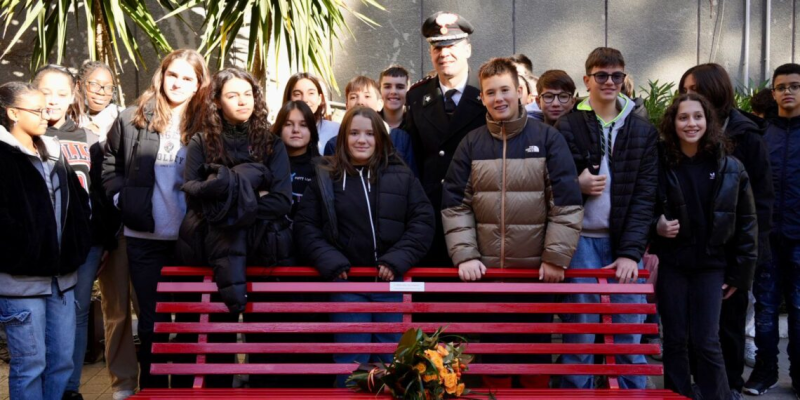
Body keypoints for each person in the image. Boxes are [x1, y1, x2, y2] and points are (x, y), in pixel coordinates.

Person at [441, 57, 583, 389]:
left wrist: (554, 258)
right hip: (488, 277)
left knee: (533, 367)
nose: (498, 98)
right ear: (483, 98)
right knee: (493, 367)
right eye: (491, 92)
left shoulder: (548, 139)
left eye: (505, 90)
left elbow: (565, 202)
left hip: (535, 277)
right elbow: (454, 205)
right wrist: (465, 255)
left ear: (520, 91)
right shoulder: (472, 143)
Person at [294, 106, 435, 388]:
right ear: (344, 137)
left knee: (393, 363)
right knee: (350, 364)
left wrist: (396, 260)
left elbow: (423, 221)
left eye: (370, 134)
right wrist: (331, 261)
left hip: (391, 286)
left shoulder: (401, 174)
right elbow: (305, 226)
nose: (362, 140)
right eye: (355, 133)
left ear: (380, 138)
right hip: (348, 288)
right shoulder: (327, 176)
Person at [102, 48, 210, 389]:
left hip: (191, 241)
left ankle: (182, 392)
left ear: (198, 85)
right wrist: (123, 199)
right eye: (172, 74)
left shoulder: (208, 123)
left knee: (190, 322)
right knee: (152, 323)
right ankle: (152, 390)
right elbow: (110, 166)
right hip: (144, 240)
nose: (177, 83)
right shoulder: (133, 116)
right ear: (161, 76)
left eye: (187, 78)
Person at [555, 47, 658, 390]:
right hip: (581, 240)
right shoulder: (567, 124)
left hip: (623, 244)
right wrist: (577, 184)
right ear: (587, 80)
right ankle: (575, 396)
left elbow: (646, 195)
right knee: (581, 335)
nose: (609, 82)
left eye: (616, 75)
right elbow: (550, 184)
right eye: (601, 75)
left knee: (628, 330)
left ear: (624, 78)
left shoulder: (642, 129)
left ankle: (633, 395)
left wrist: (630, 252)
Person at [651, 93, 757, 400]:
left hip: (711, 266)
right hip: (673, 264)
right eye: (683, 117)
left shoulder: (730, 167)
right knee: (674, 340)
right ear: (672, 123)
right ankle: (678, 395)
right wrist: (655, 227)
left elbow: (748, 222)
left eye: (697, 116)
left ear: (708, 121)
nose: (691, 123)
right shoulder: (660, 162)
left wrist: (741, 274)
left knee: (706, 340)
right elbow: (641, 207)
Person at [680, 63, 775, 394]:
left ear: (715, 91)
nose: (689, 98)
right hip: (693, 248)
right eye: (684, 91)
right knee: (696, 325)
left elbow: (761, 202)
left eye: (695, 90)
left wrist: (748, 259)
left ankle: (729, 384)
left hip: (731, 249)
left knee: (729, 323)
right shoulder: (686, 132)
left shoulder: (746, 135)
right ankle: (699, 383)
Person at [0, 81, 92, 400]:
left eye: (46, 109)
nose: (45, 114)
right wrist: (22, 253)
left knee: (62, 363)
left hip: (61, 280)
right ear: (12, 113)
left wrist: (76, 247)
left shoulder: (54, 149)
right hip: (20, 282)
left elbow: (79, 204)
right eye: (37, 110)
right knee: (30, 365)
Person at [32, 64, 111, 400]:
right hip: (36, 248)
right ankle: (42, 387)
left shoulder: (87, 138)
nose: (53, 100)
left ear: (73, 96)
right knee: (40, 316)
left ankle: (69, 388)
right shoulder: (23, 136)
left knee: (77, 312)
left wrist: (105, 240)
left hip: (84, 245)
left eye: (61, 94)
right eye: (46, 92)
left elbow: (100, 193)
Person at [76, 60, 138, 399]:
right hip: (102, 236)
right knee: (115, 311)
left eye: (108, 86)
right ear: (81, 85)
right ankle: (123, 383)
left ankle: (155, 378)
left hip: (135, 229)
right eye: (94, 85)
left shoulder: (128, 119)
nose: (101, 92)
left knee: (147, 306)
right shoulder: (69, 125)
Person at [405, 11, 487, 266]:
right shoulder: (417, 97)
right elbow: (414, 158)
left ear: (468, 50)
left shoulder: (487, 93)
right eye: (436, 47)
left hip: (477, 214)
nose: (443, 54)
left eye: (451, 45)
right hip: (431, 213)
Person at [747, 63, 800, 396]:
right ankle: (765, 372)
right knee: (765, 308)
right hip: (766, 237)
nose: (787, 92)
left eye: (794, 86)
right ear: (773, 92)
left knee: (798, 308)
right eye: (781, 87)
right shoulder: (761, 133)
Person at [322, 75, 416, 174]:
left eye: (367, 96)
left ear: (380, 104)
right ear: (347, 106)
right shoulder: (334, 144)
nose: (360, 102)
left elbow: (411, 178)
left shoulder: (400, 138)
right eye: (353, 97)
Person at [275, 100, 320, 221]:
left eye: (303, 125)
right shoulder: (267, 164)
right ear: (279, 128)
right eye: (288, 124)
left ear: (312, 130)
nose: (296, 130)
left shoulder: (323, 170)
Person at [282, 72, 339, 154]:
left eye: (311, 93)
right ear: (289, 98)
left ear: (320, 98)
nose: (305, 99)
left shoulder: (336, 130)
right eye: (297, 94)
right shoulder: (276, 132)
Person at [379, 65, 410, 130]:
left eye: (400, 87)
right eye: (387, 87)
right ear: (380, 90)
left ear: (408, 90)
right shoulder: (371, 122)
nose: (393, 92)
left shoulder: (417, 124)